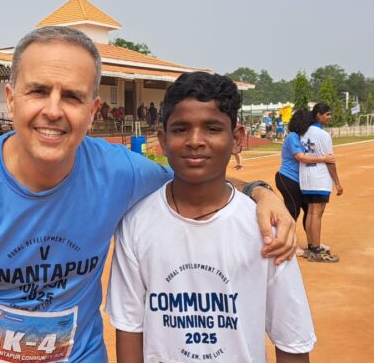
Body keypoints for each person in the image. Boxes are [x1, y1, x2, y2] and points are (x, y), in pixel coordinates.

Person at [0, 27, 296, 363]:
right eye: (38, 91)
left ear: (93, 110)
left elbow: (194, 177)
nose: (53, 110)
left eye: (72, 96)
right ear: (11, 99)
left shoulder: (118, 173)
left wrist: (261, 193)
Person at [106, 72, 315, 363]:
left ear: (237, 138)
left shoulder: (267, 229)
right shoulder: (136, 225)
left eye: (212, 128)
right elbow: (130, 328)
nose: (195, 141)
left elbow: (291, 340)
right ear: (163, 141)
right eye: (180, 129)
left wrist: (261, 193)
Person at [275, 109, 335, 257]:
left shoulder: (303, 136)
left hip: (300, 181)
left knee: (309, 212)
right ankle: (288, 245)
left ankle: (313, 244)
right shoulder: (293, 137)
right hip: (288, 178)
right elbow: (301, 157)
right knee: (292, 212)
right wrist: (324, 159)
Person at [299, 103, 343, 263]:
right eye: (328, 114)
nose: (330, 117)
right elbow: (330, 160)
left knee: (311, 212)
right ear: (319, 115)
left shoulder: (303, 133)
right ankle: (317, 250)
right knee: (317, 213)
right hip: (319, 177)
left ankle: (311, 247)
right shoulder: (323, 135)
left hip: (306, 177)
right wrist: (337, 182)